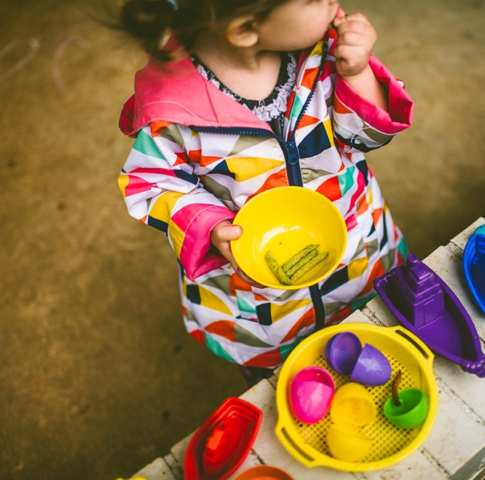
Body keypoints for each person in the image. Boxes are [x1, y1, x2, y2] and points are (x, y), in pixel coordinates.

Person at [117, 0, 413, 385]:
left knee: (372, 324)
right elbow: (151, 182)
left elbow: (363, 137)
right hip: (258, 295)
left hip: (356, 248)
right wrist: (208, 225)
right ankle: (274, 378)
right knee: (283, 375)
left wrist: (357, 74)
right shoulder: (171, 111)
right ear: (244, 29)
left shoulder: (324, 55)